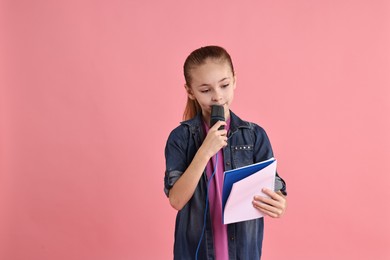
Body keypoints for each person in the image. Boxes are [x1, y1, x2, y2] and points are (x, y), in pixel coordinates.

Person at [164, 45, 287, 260]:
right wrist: (204, 152)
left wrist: (278, 201)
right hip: (196, 252)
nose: (217, 97)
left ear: (235, 81)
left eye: (224, 85)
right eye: (205, 90)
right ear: (190, 91)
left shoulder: (255, 136)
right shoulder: (180, 138)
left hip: (243, 251)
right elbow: (176, 200)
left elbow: (273, 184)